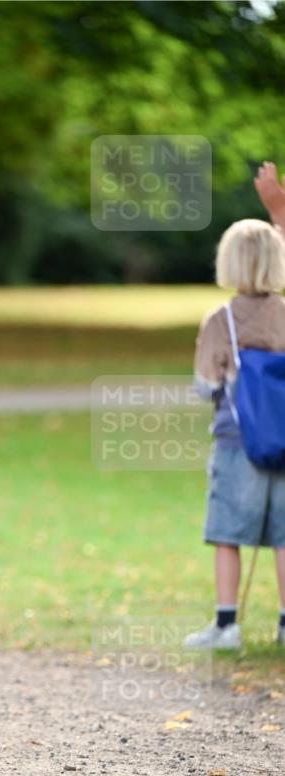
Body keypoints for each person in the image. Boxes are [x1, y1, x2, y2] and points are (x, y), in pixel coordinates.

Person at [184, 170, 285, 650]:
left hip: (236, 439)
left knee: (228, 532)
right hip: (284, 439)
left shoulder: (220, 319)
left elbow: (206, 386)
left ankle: (226, 625)